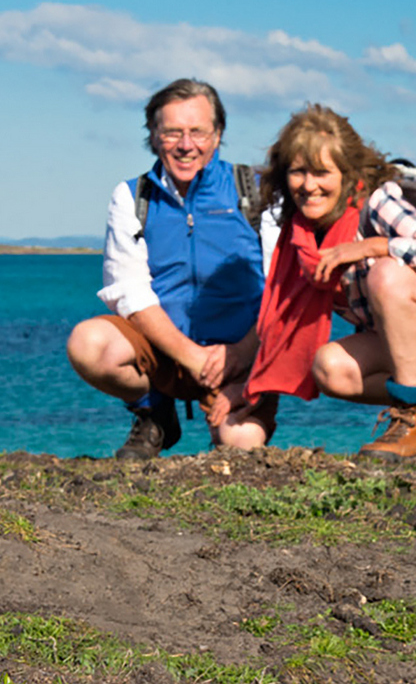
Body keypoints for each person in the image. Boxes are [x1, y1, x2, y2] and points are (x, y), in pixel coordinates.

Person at [243, 105, 416, 458]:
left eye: (321, 172)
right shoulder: (301, 237)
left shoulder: (376, 202)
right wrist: (244, 391)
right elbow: (281, 323)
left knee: (387, 275)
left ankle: (413, 416)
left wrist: (376, 246)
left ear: (346, 173)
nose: (309, 186)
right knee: (329, 368)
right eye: (298, 172)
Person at [65, 79, 277, 458]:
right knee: (89, 344)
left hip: (243, 355)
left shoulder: (258, 190)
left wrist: (242, 353)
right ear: (153, 134)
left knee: (241, 446)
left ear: (217, 134)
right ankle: (155, 413)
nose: (185, 144)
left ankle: (228, 406)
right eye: (172, 132)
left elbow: (284, 286)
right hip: (167, 355)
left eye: (197, 131)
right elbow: (127, 290)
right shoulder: (132, 197)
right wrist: (191, 356)